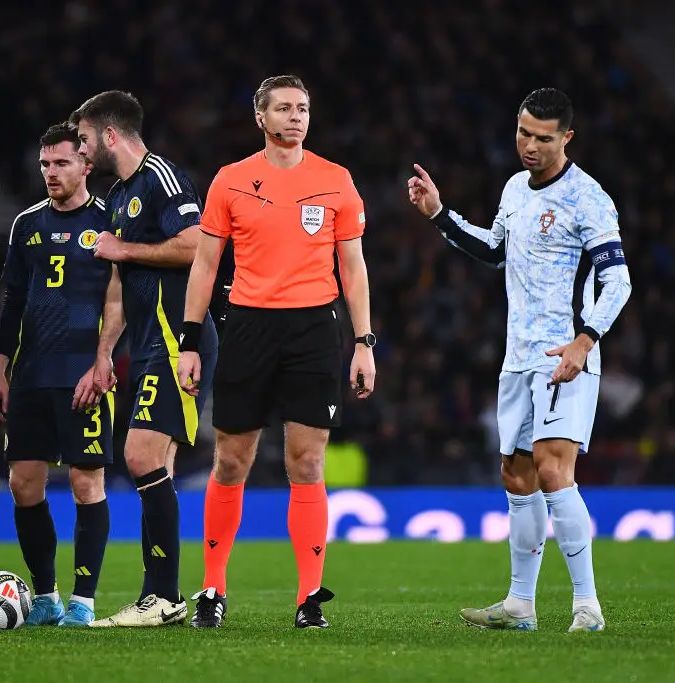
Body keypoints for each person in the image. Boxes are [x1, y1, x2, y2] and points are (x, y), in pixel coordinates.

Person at [407, 88, 632, 632]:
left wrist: (585, 340)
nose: (529, 146)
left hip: (565, 355)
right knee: (517, 474)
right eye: (523, 133)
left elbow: (617, 281)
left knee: (556, 471)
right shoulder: (513, 188)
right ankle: (520, 605)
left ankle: (587, 606)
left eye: (543, 138)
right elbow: (494, 250)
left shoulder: (588, 198)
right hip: (519, 356)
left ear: (567, 139)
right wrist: (440, 214)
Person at [176, 74, 377, 629]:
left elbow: (353, 267)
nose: (295, 117)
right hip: (247, 327)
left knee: (307, 463)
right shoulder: (232, 181)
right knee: (231, 461)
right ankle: (212, 589)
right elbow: (205, 264)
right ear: (260, 118)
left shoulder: (335, 180)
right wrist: (191, 341)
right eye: (284, 108)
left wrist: (363, 343)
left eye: (303, 108)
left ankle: (309, 598)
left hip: (315, 330)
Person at [68, 91, 219, 627]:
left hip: (178, 340)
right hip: (146, 344)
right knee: (155, 465)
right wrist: (104, 354)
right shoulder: (117, 195)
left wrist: (124, 250)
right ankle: (164, 597)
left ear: (110, 135)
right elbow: (116, 287)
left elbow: (198, 246)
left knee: (138, 455)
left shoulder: (162, 177)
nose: (82, 152)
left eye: (84, 140)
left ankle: (162, 596)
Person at [0, 122, 123, 627]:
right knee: (24, 483)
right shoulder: (27, 224)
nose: (51, 172)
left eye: (62, 163)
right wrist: (1, 365)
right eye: (45, 164)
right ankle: (45, 595)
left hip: (84, 373)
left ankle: (84, 601)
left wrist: (104, 360)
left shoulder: (110, 218)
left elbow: (119, 297)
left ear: (86, 165)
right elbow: (14, 302)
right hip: (31, 376)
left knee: (86, 482)